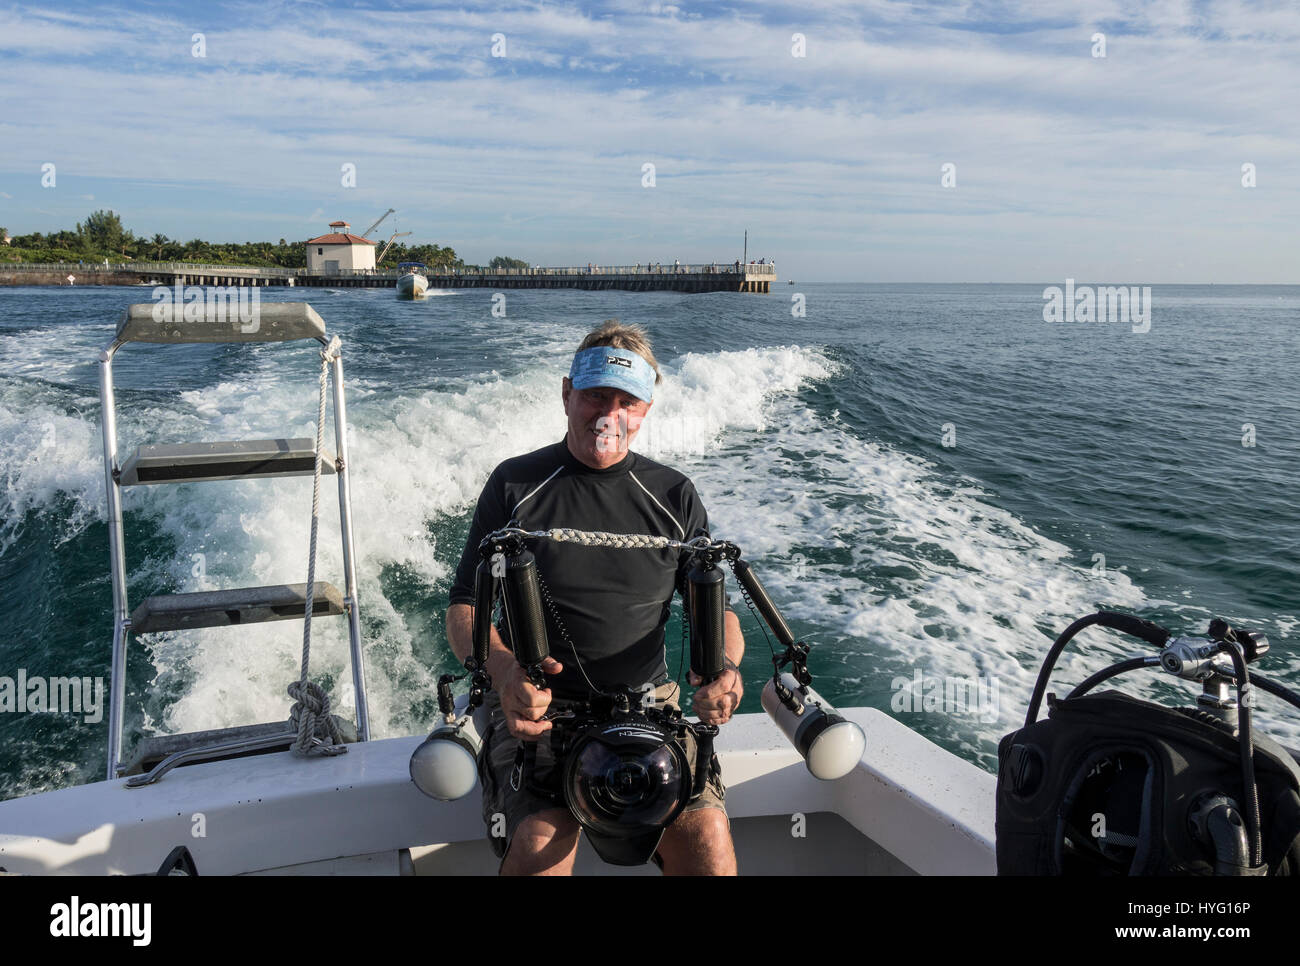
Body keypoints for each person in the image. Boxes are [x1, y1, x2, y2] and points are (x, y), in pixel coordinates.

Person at [445, 320, 744, 876]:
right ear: (566, 394)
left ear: (645, 411)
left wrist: (725, 668)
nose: (609, 414)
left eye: (626, 401)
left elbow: (719, 611)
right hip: (540, 713)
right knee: (541, 846)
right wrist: (507, 670)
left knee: (708, 839)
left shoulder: (675, 495)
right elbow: (464, 608)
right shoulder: (514, 485)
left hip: (651, 708)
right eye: (595, 396)